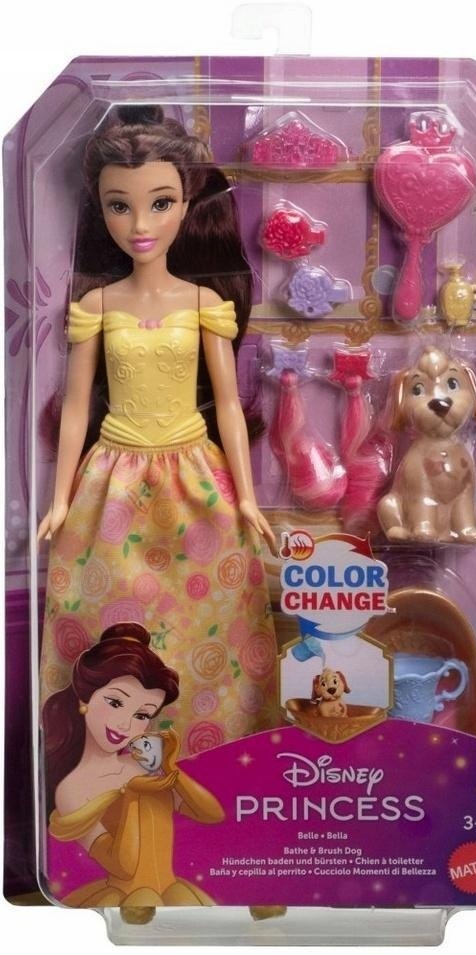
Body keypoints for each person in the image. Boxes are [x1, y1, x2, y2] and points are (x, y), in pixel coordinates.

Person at [38, 105, 280, 759]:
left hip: (195, 480)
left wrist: (248, 498)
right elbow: (78, 407)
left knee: (210, 621)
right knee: (111, 620)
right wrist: (60, 499)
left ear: (187, 203)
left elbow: (226, 405)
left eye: (160, 203)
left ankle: (215, 753)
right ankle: (105, 764)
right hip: (111, 483)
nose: (140, 225)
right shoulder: (97, 305)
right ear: (100, 210)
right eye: (119, 206)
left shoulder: (204, 304)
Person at [43, 623, 225, 910]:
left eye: (142, 715)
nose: (125, 724)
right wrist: (132, 796)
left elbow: (213, 815)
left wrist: (172, 771)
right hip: (126, 898)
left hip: (174, 891)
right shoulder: (73, 788)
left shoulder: (143, 764)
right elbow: (123, 866)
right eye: (116, 702)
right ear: (84, 696)